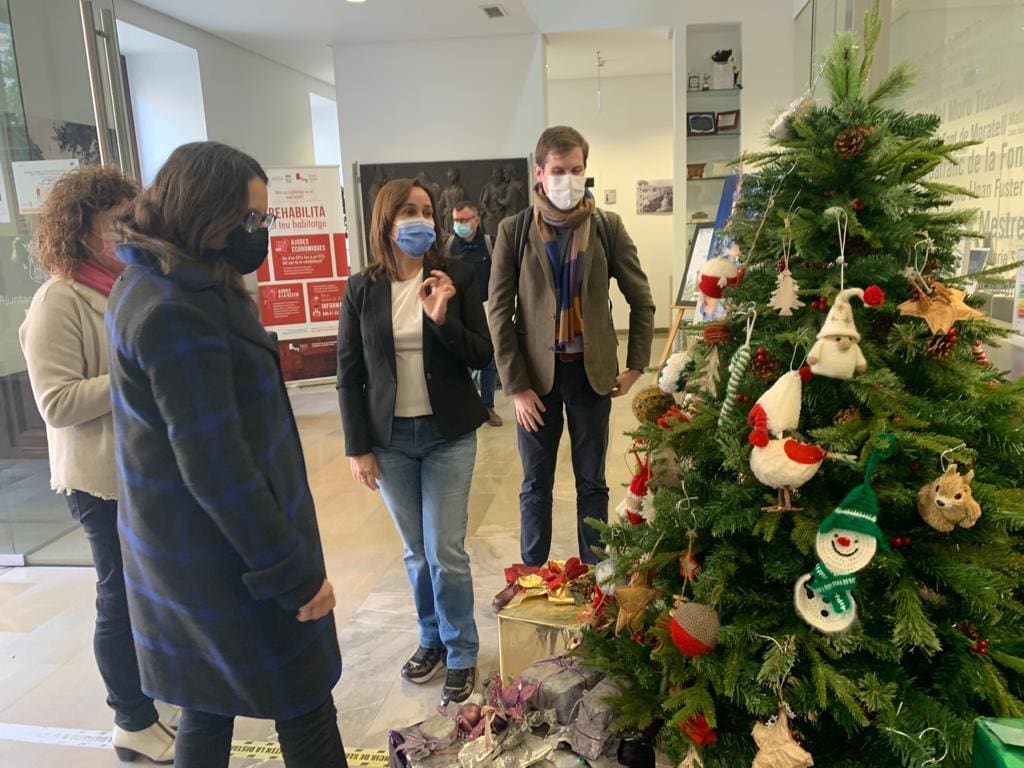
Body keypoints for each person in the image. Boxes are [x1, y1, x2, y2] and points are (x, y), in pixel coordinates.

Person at [107, 142, 347, 768]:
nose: (259, 231)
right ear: (207, 213)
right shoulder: (175, 311)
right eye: (251, 218)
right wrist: (293, 573)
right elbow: (216, 467)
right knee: (304, 702)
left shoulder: (154, 281)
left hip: (188, 550)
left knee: (206, 701)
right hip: (225, 555)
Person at [19, 166, 177, 764]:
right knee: (120, 596)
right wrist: (137, 376)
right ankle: (131, 720)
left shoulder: (129, 284)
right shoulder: (59, 299)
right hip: (100, 480)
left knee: (151, 593)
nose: (128, 230)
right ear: (81, 227)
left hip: (147, 470)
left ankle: (152, 698)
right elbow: (56, 402)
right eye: (117, 221)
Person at [337, 178, 490, 705]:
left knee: (445, 550)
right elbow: (348, 373)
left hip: (448, 435)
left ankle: (462, 649)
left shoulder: (457, 277)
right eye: (408, 210)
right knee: (416, 553)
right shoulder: (361, 288)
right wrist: (357, 447)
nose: (420, 219)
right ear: (386, 221)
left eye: (426, 210)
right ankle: (431, 638)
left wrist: (442, 319)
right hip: (390, 440)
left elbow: (481, 354)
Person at [488, 125, 655, 566]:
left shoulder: (606, 227)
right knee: (535, 484)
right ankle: (530, 574)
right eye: (559, 170)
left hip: (591, 373)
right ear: (539, 173)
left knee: (592, 483)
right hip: (535, 380)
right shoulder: (514, 230)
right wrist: (516, 387)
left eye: (576, 170)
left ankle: (596, 575)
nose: (568, 179)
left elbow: (642, 299)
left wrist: (636, 365)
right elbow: (499, 313)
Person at [446, 200, 502, 427]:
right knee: (458, 358)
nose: (459, 224)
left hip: (485, 307)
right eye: (456, 220)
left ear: (476, 220)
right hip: (456, 309)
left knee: (487, 358)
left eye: (464, 220)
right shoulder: (449, 245)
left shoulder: (490, 243)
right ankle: (463, 405)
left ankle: (487, 406)